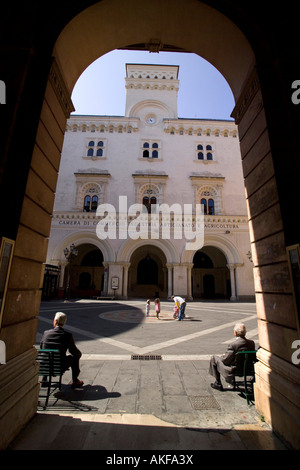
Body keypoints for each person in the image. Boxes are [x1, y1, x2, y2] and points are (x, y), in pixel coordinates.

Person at [40, 311, 83, 388]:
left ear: (55, 321)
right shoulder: (67, 335)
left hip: (44, 365)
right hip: (59, 366)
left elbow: (41, 348)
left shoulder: (46, 333)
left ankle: (44, 379)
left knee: (47, 355)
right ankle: (75, 380)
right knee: (75, 356)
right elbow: (74, 351)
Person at [209, 322, 255, 391]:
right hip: (247, 369)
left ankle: (218, 382)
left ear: (236, 333)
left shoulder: (233, 345)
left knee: (214, 358)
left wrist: (223, 356)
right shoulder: (251, 343)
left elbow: (225, 360)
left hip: (234, 370)